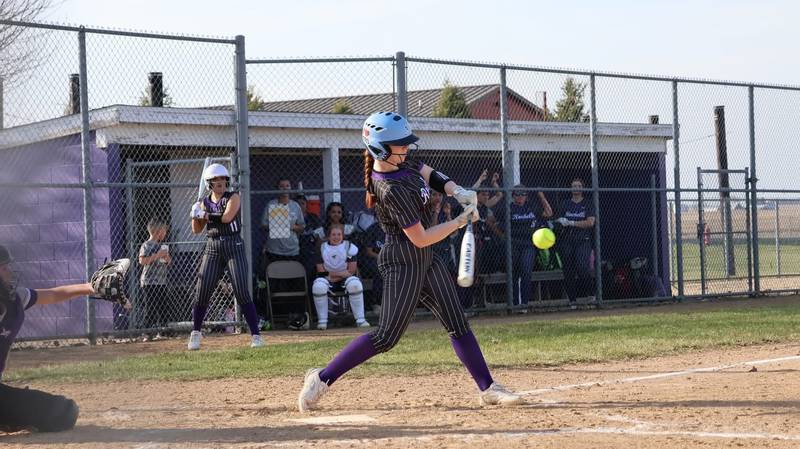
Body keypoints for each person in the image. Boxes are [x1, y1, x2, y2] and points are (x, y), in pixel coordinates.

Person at [297, 111, 523, 412]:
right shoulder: (389, 189)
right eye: (400, 144)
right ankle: (321, 379)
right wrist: (459, 221)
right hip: (403, 261)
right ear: (380, 149)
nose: (406, 148)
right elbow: (420, 237)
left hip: (425, 259)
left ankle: (488, 388)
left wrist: (458, 191)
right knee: (386, 337)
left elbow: (429, 173)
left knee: (457, 322)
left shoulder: (403, 162)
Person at [0, 245, 81, 432]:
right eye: (4, 268)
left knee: (64, 411)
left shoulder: (13, 299)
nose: (9, 272)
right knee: (63, 412)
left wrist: (89, 288)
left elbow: (52, 295)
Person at [188, 163, 263, 350]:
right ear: (209, 183)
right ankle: (196, 333)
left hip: (233, 245)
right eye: (215, 180)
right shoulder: (204, 202)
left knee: (241, 290)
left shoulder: (233, 197)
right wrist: (195, 214)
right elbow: (196, 230)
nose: (220, 182)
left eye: (222, 179)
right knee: (202, 289)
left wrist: (204, 214)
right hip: (212, 246)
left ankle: (256, 335)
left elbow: (226, 217)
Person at [311, 224, 370, 330]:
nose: (336, 237)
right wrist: (336, 275)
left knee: (355, 284)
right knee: (318, 286)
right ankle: (322, 321)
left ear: (343, 235)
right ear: (328, 236)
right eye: (333, 234)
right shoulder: (322, 248)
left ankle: (361, 320)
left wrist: (334, 275)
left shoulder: (349, 247)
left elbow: (351, 271)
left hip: (344, 278)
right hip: (327, 279)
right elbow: (321, 271)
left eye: (339, 234)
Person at [508, 185, 553, 312]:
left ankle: (524, 304)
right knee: (515, 273)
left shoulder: (532, 207)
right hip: (514, 243)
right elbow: (491, 221)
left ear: (526, 196)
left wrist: (541, 195)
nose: (520, 197)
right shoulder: (509, 208)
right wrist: (503, 236)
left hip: (529, 244)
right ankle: (515, 304)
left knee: (526, 271)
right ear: (513, 196)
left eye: (523, 194)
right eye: (517, 194)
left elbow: (549, 213)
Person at [555, 177, 596, 309]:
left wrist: (572, 223)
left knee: (582, 267)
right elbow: (558, 221)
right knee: (568, 270)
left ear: (582, 188)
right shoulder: (565, 204)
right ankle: (572, 300)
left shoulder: (588, 203)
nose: (576, 188)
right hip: (567, 240)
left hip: (583, 240)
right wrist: (559, 222)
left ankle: (591, 295)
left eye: (578, 186)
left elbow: (590, 222)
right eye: (574, 186)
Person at [137, 219, 171, 336]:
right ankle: (147, 333)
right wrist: (157, 255)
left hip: (161, 282)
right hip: (149, 282)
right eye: (164, 231)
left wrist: (166, 258)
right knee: (150, 308)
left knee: (163, 307)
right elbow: (142, 261)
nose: (165, 233)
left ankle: (163, 332)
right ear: (158, 231)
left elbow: (168, 262)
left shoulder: (162, 246)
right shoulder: (146, 245)